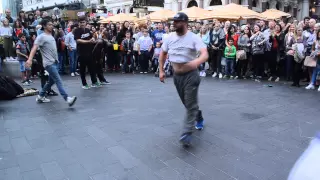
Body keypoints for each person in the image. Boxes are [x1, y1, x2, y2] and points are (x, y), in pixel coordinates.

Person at [159, 12, 208, 147]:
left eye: (177, 21)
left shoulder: (193, 38)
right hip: (177, 76)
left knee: (190, 104)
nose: (174, 24)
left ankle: (186, 133)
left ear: (185, 23)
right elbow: (162, 54)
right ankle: (198, 116)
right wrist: (161, 71)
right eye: (174, 21)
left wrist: (196, 63)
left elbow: (205, 54)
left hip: (191, 75)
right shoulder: (169, 38)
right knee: (187, 103)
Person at [26, 19, 77, 107]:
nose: (51, 26)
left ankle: (40, 95)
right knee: (58, 80)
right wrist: (30, 59)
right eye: (49, 24)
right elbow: (34, 47)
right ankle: (67, 99)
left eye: (52, 24)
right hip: (48, 63)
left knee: (50, 82)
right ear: (44, 26)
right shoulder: (41, 37)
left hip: (55, 62)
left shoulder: (51, 35)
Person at [73, 16, 99, 89]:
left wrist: (93, 39)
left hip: (89, 51)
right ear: (79, 23)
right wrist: (88, 41)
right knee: (83, 69)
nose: (82, 24)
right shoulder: (77, 31)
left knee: (92, 67)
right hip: (82, 52)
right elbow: (78, 40)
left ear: (86, 23)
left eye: (83, 22)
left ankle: (94, 81)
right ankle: (84, 84)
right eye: (81, 22)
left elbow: (91, 37)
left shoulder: (87, 30)